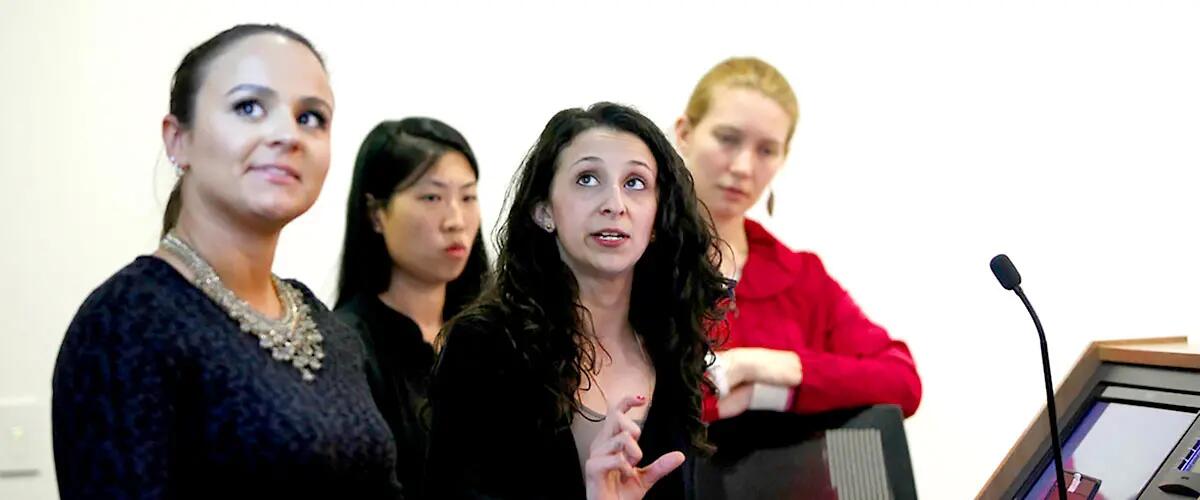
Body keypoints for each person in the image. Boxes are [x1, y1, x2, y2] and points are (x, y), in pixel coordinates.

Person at [51, 24, 402, 499]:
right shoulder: (127, 320)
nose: (287, 135)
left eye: (312, 118)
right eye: (249, 107)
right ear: (178, 140)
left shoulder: (325, 326)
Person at [425, 102, 731, 499]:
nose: (614, 204)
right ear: (544, 210)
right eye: (587, 179)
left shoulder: (671, 346)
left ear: (657, 219)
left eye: (635, 183)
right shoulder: (485, 346)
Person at [673, 57, 922, 421]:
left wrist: (767, 372)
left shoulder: (800, 276)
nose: (743, 167)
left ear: (782, 158)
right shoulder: (633, 260)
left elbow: (902, 383)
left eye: (766, 150)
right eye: (728, 139)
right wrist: (732, 401)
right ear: (684, 133)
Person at [334, 117, 488, 499]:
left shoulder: (495, 332)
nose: (456, 221)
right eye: (431, 198)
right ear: (375, 213)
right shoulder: (344, 346)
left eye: (468, 197)